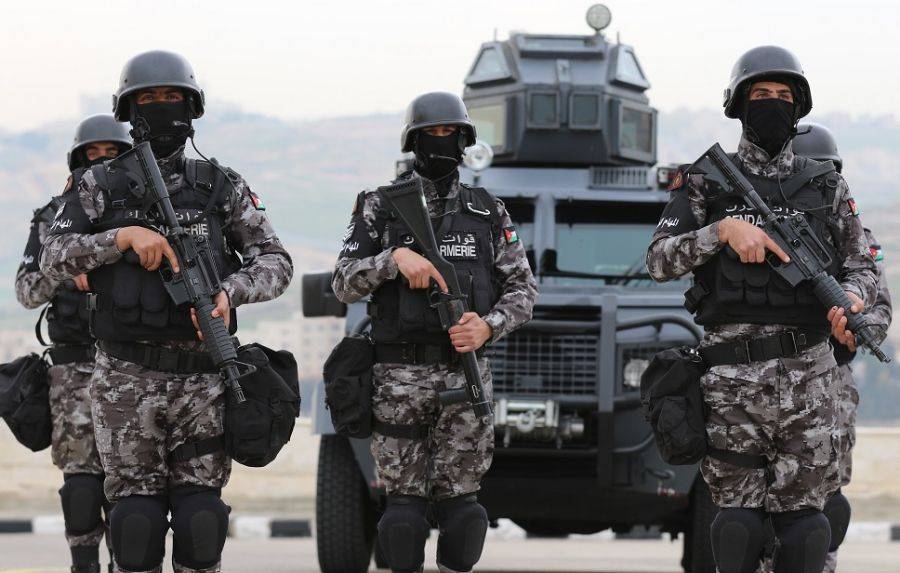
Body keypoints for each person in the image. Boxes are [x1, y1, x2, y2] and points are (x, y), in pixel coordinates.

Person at [40, 50, 293, 573]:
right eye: (149, 98)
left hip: (204, 379)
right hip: (126, 378)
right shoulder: (98, 185)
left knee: (202, 522)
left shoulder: (220, 184)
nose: (161, 107)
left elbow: (276, 261)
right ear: (130, 110)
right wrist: (121, 238)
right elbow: (53, 257)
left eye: (171, 97)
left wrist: (231, 292)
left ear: (191, 107)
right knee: (136, 526)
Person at [645, 46, 878, 573]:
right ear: (738, 104)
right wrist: (721, 232)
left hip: (810, 377)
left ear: (799, 107)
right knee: (738, 528)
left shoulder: (827, 184)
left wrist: (853, 299)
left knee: (807, 529)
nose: (773, 103)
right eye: (761, 94)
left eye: (783, 95)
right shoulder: (705, 180)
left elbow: (861, 265)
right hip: (733, 379)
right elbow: (658, 261)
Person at [332, 91, 537, 573]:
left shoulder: (489, 212)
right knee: (403, 516)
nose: (441, 141)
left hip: (466, 376)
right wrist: (392, 260)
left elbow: (523, 289)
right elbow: (343, 281)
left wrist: (487, 326)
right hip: (398, 378)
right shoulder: (380, 206)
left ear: (464, 141)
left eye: (450, 133)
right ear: (414, 141)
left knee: (464, 513)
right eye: (431, 134)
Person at [15, 113, 131, 573]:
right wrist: (62, 268)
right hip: (75, 366)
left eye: (111, 154)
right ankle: (83, 566)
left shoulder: (146, 213)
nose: (100, 162)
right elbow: (26, 291)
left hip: (134, 365)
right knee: (81, 483)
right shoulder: (53, 217)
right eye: (92, 154)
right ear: (77, 159)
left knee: (131, 487)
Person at [793, 122, 893, 573]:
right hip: (763, 382)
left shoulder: (857, 239)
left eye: (825, 174)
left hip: (831, 384)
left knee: (826, 506)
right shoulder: (763, 228)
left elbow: (880, 307)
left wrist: (858, 323)